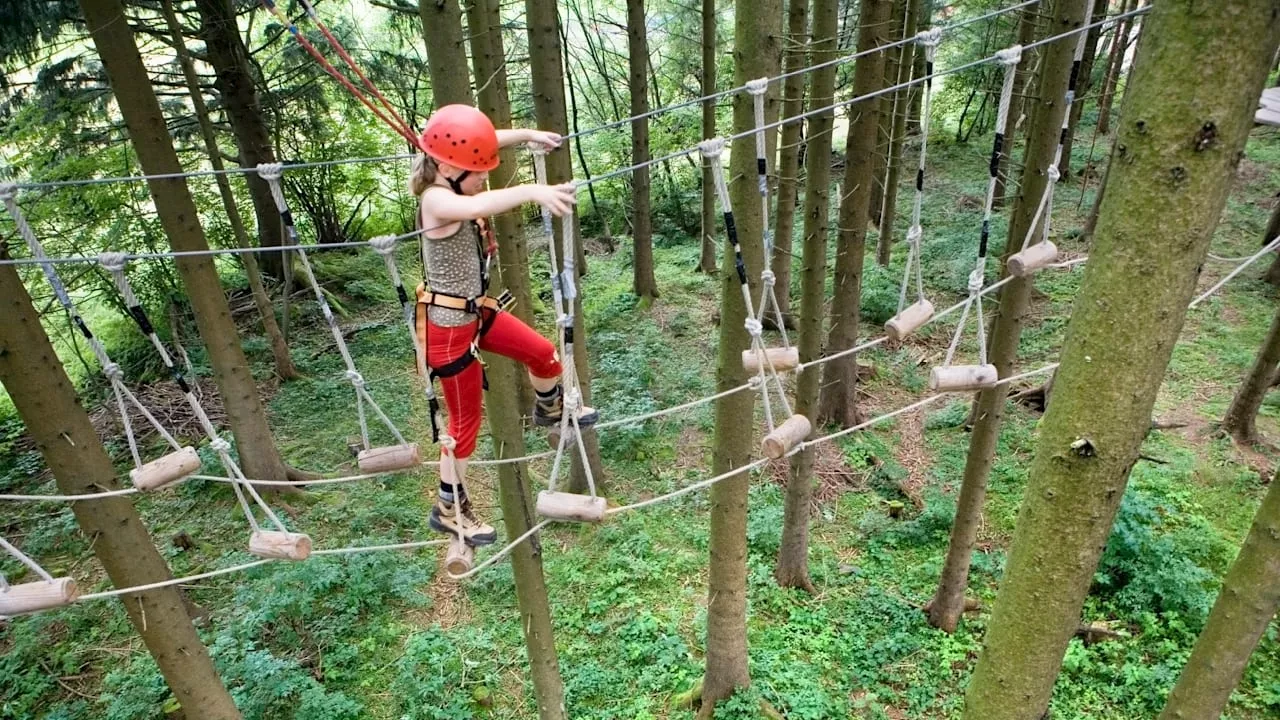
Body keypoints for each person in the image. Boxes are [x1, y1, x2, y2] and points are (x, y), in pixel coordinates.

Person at [412, 104, 597, 547]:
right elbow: (477, 203)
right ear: (445, 166)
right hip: (449, 331)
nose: (483, 177)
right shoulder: (436, 199)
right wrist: (534, 190)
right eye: (476, 171)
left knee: (543, 354)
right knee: (464, 429)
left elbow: (484, 140)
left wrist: (531, 134)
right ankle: (449, 508)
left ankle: (551, 410)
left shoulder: (450, 169)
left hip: (476, 315)